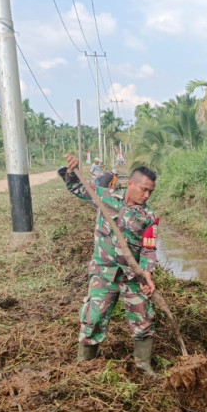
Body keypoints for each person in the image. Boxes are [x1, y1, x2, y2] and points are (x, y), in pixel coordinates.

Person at [59, 154, 160, 376]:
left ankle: (143, 366)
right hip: (103, 274)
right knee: (93, 319)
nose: (146, 195)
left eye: (150, 192)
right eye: (144, 189)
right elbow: (77, 187)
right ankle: (85, 365)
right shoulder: (105, 196)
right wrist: (72, 170)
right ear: (130, 183)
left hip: (132, 277)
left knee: (144, 320)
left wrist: (147, 274)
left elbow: (148, 248)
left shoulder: (149, 216)